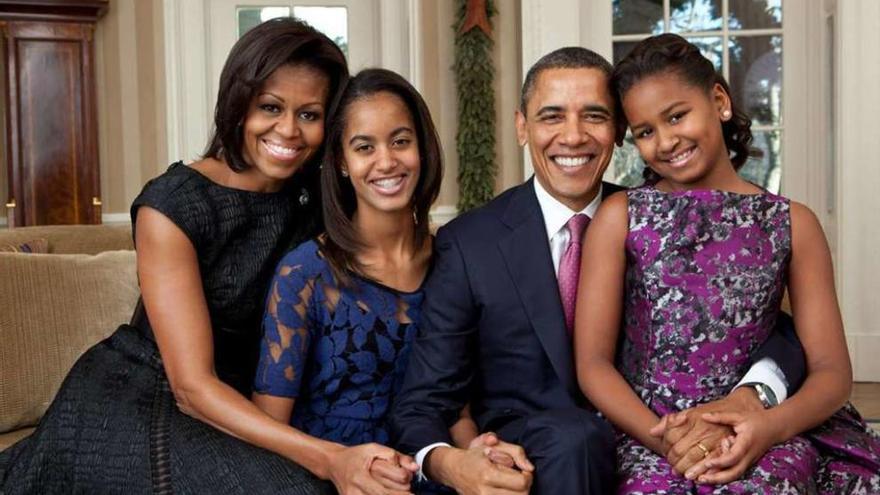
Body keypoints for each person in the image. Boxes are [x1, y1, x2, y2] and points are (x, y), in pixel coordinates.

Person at [390, 46, 806, 494]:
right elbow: (423, 400)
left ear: (619, 130)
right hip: (536, 452)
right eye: (551, 117)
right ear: (521, 127)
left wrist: (755, 393)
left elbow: (763, 323)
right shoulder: (471, 243)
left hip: (656, 435)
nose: (573, 137)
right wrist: (454, 463)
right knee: (576, 439)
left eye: (594, 116)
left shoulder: (654, 219)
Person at [0, 18, 351, 493]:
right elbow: (191, 387)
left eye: (309, 114)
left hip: (242, 403)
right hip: (143, 398)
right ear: (237, 104)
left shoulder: (318, 198)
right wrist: (329, 457)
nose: (288, 130)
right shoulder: (175, 204)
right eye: (270, 107)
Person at [576, 33, 880, 494]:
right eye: (645, 132)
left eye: (677, 116)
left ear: (718, 100)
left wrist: (768, 428)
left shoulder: (793, 223)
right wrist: (670, 441)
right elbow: (594, 364)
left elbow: (832, 372)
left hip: (761, 427)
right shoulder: (621, 218)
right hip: (649, 429)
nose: (666, 140)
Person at [250, 67, 459, 494]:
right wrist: (338, 466)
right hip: (332, 480)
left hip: (435, 473)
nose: (387, 161)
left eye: (401, 141)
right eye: (365, 147)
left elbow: (461, 404)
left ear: (422, 148)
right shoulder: (305, 273)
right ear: (342, 162)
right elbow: (269, 429)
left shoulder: (456, 261)